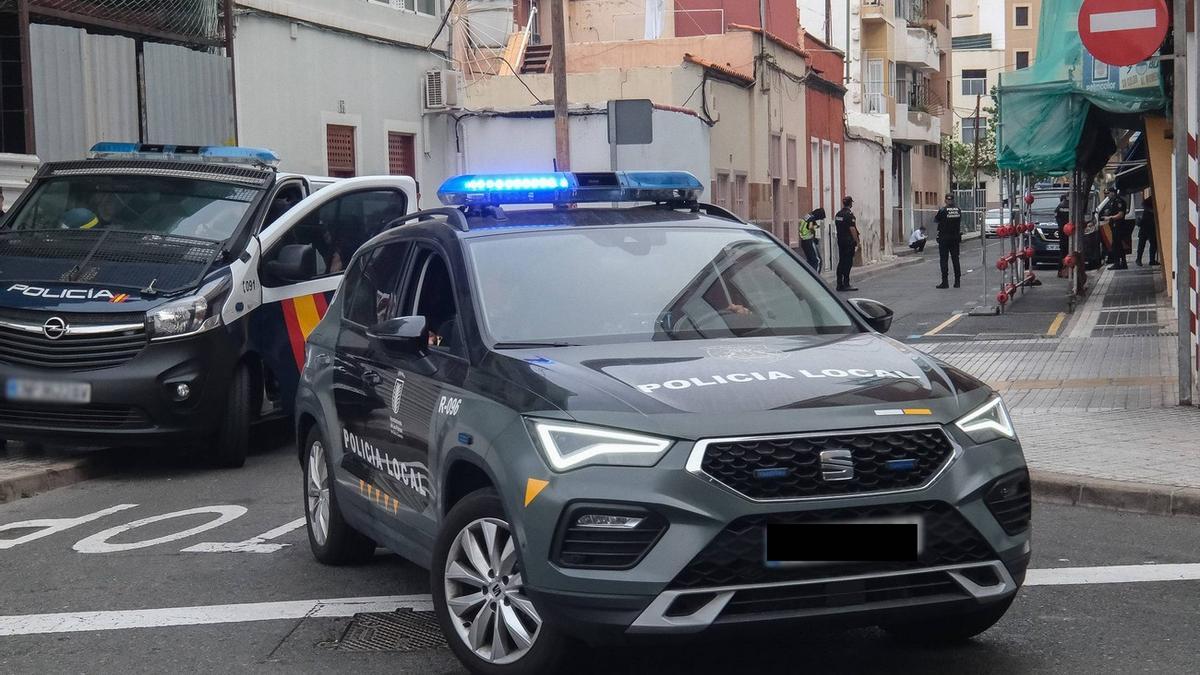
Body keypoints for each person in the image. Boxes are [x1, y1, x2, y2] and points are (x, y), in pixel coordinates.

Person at [934, 193, 963, 288]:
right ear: (953, 200)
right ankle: (957, 282)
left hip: (944, 238)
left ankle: (945, 282)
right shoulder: (958, 210)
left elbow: (936, 220)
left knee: (944, 260)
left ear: (945, 200)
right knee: (955, 259)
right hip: (955, 238)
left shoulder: (943, 210)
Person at [1099, 186, 1129, 270]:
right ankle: (1123, 263)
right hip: (1114, 226)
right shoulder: (1112, 201)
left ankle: (1117, 263)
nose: (1107, 195)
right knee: (1118, 245)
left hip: (1119, 225)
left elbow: (1120, 214)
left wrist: (1110, 218)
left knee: (1116, 245)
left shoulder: (1119, 201)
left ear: (1113, 193)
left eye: (1108, 193)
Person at [833, 196, 859, 292]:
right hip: (848, 242)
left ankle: (839, 284)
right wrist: (856, 241)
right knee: (848, 262)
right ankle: (846, 283)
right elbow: (852, 229)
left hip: (841, 240)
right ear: (850, 203)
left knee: (841, 261)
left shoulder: (838, 214)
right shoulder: (849, 215)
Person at [1136, 195, 1159, 266]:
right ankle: (1138, 259)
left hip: (1152, 225)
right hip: (1145, 224)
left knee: (1153, 244)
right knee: (1142, 243)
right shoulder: (1152, 198)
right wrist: (1152, 211)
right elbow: (1143, 204)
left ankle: (1152, 260)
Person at [1055, 194, 1071, 277]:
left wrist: (1061, 226)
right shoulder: (1071, 206)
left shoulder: (1059, 207)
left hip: (1062, 231)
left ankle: (1061, 271)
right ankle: (1068, 271)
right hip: (1070, 231)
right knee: (1069, 251)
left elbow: (1057, 217)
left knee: (1062, 252)